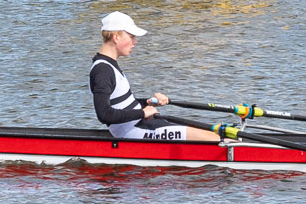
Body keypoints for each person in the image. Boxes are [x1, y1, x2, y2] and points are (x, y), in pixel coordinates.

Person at [88, 11, 213, 141]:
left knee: (214, 132)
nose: (135, 41)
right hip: (133, 132)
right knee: (212, 138)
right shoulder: (102, 70)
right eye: (131, 36)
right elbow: (104, 114)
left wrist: (148, 102)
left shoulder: (109, 64)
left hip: (142, 125)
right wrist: (143, 112)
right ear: (116, 37)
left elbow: (121, 104)